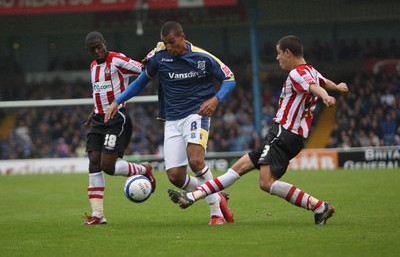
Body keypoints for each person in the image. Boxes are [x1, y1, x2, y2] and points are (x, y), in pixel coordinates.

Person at [168, 35, 349, 225]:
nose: (277, 58)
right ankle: (193, 196)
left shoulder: (297, 74)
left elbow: (314, 87)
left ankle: (319, 206)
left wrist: (326, 96)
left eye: (279, 54)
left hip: (283, 133)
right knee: (237, 169)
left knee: (266, 183)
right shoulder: (310, 70)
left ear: (288, 53)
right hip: (290, 137)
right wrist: (337, 87)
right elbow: (321, 81)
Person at [105, 21, 235, 225]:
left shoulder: (203, 57)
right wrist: (117, 101)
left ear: (183, 37)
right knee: (175, 176)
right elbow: (140, 83)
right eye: (165, 43)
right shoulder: (160, 57)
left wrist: (216, 99)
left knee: (196, 161)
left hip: (196, 114)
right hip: (172, 120)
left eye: (172, 42)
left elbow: (229, 79)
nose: (169, 47)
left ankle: (216, 213)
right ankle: (216, 194)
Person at [82, 31, 156, 225]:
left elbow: (143, 70)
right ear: (88, 51)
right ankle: (98, 215)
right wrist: (95, 110)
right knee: (93, 162)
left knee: (108, 166)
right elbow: (100, 91)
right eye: (93, 49)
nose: (97, 51)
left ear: (105, 44)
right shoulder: (92, 66)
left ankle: (143, 170)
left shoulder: (117, 60)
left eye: (99, 47)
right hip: (98, 119)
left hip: (116, 118)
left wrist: (148, 61)